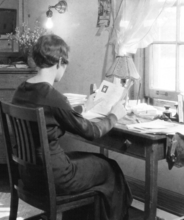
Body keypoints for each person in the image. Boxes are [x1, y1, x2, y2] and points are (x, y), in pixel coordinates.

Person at [11, 34, 132, 220]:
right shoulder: (53, 97)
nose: (64, 70)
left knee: (95, 163)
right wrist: (115, 114)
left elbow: (53, 112)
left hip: (30, 176)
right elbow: (92, 132)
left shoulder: (21, 89)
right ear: (59, 62)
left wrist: (84, 107)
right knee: (110, 167)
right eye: (65, 65)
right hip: (57, 177)